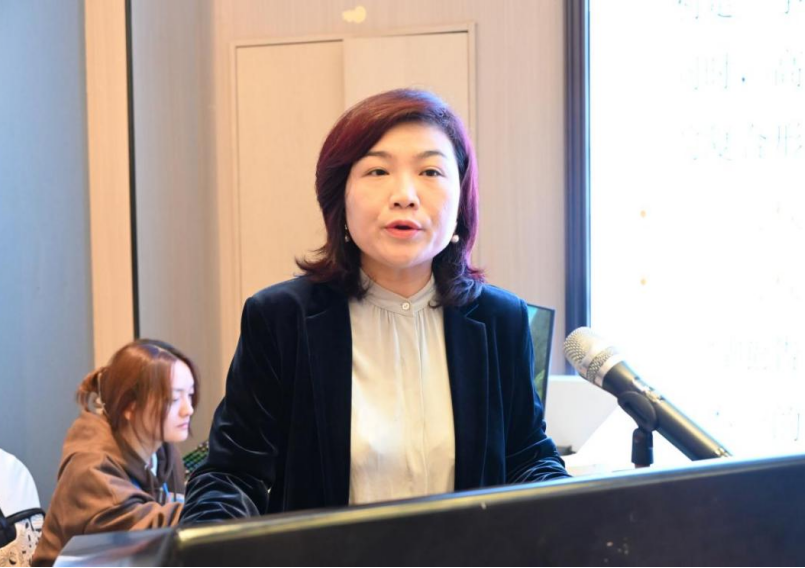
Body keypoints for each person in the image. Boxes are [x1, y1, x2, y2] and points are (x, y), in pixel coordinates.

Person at [181, 88, 568, 524]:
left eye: (430, 171)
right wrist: (207, 542)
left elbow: (526, 457)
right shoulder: (282, 319)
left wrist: (574, 518)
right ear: (340, 197)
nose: (405, 195)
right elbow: (232, 474)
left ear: (461, 199)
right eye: (378, 170)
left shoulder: (500, 320)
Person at [32, 340, 198, 566]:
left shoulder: (165, 452)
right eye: (173, 399)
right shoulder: (91, 469)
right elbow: (147, 533)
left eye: (190, 395)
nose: (188, 409)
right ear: (130, 406)